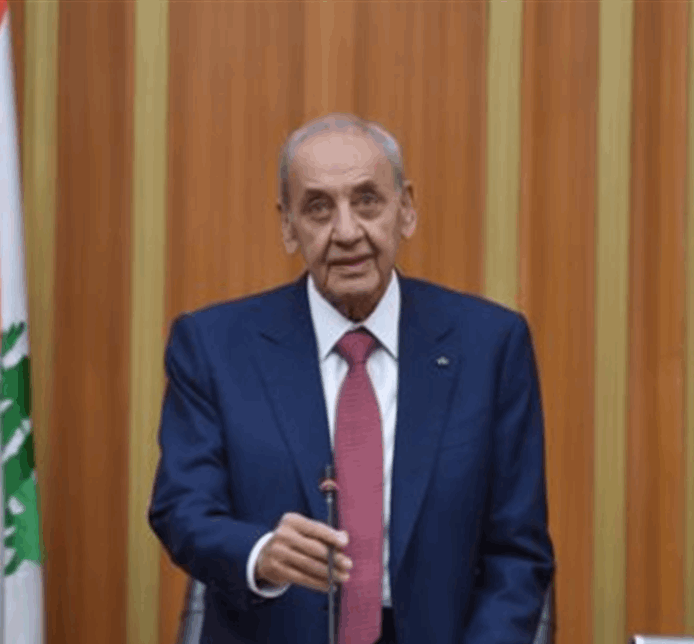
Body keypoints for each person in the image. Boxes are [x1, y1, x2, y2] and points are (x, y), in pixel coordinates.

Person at [148, 113, 554, 644]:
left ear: (406, 209)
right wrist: (260, 553)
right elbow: (183, 509)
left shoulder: (490, 346)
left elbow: (517, 554)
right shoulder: (214, 346)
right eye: (318, 208)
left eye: (367, 201)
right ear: (288, 225)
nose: (346, 232)